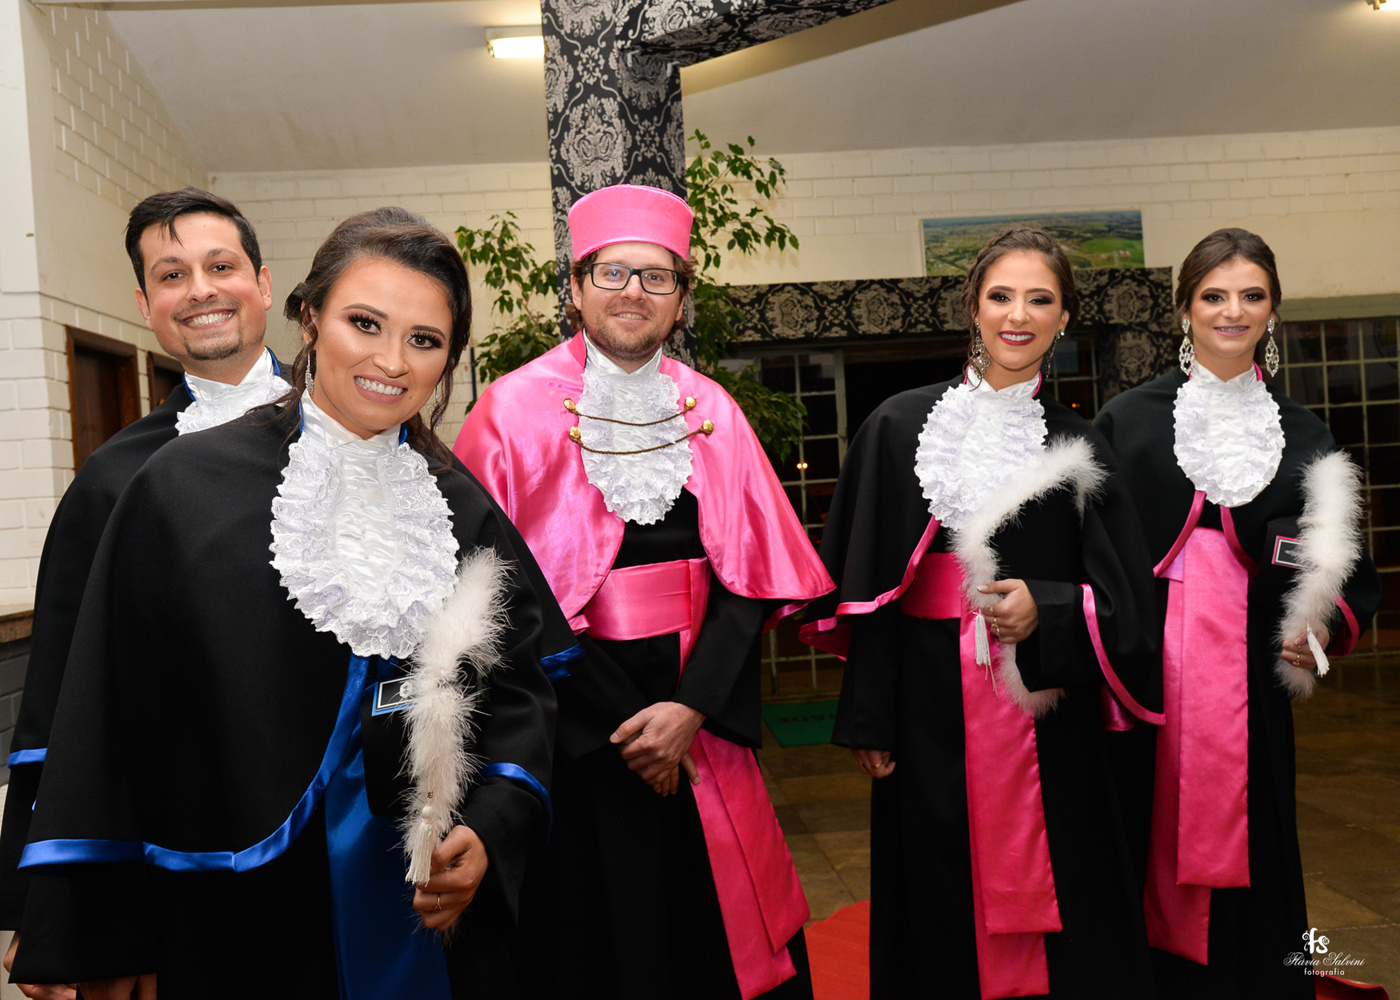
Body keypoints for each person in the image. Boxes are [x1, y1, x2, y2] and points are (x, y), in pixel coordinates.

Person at [8, 208, 568, 999]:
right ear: (309, 318)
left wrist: (491, 825)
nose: (390, 361)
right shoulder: (177, 490)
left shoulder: (458, 504)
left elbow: (517, 692)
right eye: (364, 323)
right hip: (238, 904)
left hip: (424, 909)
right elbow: (107, 721)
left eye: (424, 339)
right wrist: (88, 930)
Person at [454, 183, 832, 1000]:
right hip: (578, 730)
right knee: (602, 943)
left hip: (700, 722)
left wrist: (691, 709)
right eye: (613, 272)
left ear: (681, 298)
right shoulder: (508, 413)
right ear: (575, 287)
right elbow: (498, 599)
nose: (634, 292)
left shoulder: (714, 410)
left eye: (657, 277)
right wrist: (631, 728)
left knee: (715, 940)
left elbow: (751, 580)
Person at [804, 228, 1162, 999]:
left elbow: (1130, 603)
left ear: (1065, 317)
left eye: (1040, 299)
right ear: (973, 307)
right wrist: (871, 716)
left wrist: (1052, 610)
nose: (1018, 316)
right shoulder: (897, 427)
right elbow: (867, 590)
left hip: (1045, 713)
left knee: (1061, 876)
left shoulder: (1082, 444)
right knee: (935, 883)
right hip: (926, 704)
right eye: (1001, 296)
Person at [1, 187, 290, 999]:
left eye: (220, 266)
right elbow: (62, 703)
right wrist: (49, 909)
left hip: (346, 825)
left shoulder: (360, 435)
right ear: (146, 306)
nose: (199, 290)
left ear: (263, 283)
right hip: (184, 838)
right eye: (171, 275)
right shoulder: (113, 480)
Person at [1094, 228, 1382, 998]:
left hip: (1252, 680)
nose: (1233, 311)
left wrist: (1321, 625)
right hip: (1145, 679)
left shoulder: (1305, 433)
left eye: (1251, 296)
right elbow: (1089, 557)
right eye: (1214, 295)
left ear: (1273, 310)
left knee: (1257, 835)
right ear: (1185, 308)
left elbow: (1344, 566)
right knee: (1142, 829)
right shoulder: (1125, 421)